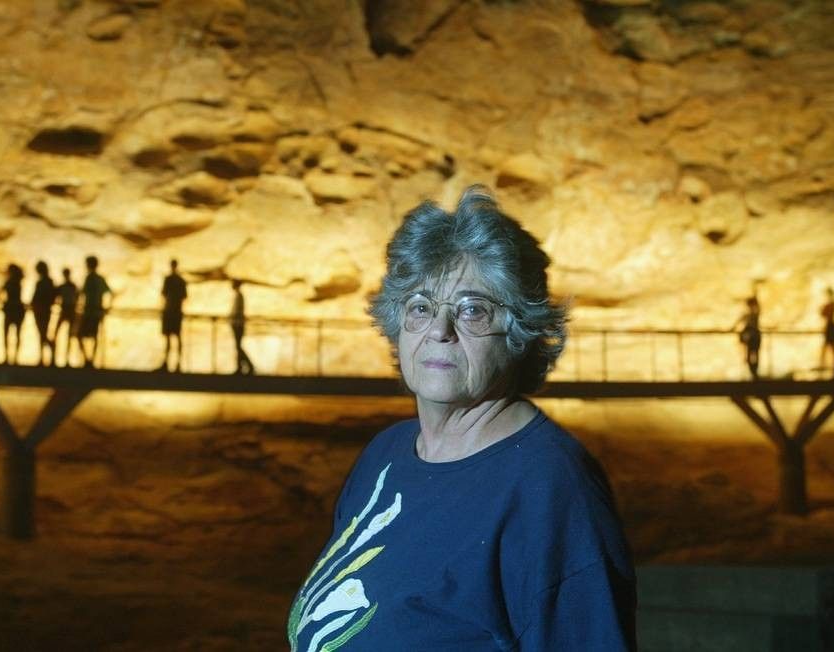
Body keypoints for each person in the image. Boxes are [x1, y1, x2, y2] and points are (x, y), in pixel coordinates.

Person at [288, 187, 636, 651]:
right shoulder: (385, 456)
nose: (439, 330)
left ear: (521, 331)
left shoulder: (550, 488)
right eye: (420, 307)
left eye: (473, 310)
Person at [77, 255, 112, 368]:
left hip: (90, 311)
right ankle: (90, 359)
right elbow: (109, 292)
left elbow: (83, 293)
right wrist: (107, 307)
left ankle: (89, 359)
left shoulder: (90, 279)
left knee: (82, 335)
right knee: (94, 336)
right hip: (96, 311)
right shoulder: (99, 279)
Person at [158, 258, 188, 372]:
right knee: (177, 337)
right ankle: (177, 363)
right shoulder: (180, 280)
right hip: (176, 311)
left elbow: (164, 294)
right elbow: (184, 296)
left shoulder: (169, 279)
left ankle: (167, 363)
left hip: (170, 311)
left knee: (169, 338)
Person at [0, 263, 26, 365]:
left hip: (10, 310)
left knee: (7, 334)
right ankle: (15, 358)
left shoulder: (9, 282)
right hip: (18, 310)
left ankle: (7, 357)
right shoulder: (18, 281)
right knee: (17, 334)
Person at [30, 261, 57, 366]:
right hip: (43, 310)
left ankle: (45, 357)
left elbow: (37, 296)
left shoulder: (43, 282)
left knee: (42, 334)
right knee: (43, 334)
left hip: (41, 310)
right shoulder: (48, 282)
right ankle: (47, 357)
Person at [53, 267, 78, 367]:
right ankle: (58, 358)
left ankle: (64, 359)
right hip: (67, 311)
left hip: (68, 311)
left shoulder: (66, 286)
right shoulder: (70, 286)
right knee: (62, 334)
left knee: (65, 335)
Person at [230, 279, 254, 375]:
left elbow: (237, 311)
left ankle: (247, 366)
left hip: (238, 324)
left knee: (238, 346)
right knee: (238, 346)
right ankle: (242, 366)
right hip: (237, 323)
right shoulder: (238, 295)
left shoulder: (239, 296)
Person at [819, 286, 834, 380]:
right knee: (831, 350)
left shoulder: (831, 304)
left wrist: (823, 309)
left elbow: (824, 314)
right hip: (830, 329)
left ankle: (826, 370)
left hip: (830, 330)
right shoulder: (832, 304)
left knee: (829, 350)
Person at [735, 295, 762, 378]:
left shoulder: (753, 315)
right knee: (751, 354)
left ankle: (754, 372)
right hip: (752, 338)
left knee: (753, 354)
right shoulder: (749, 316)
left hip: (753, 337)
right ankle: (752, 372)